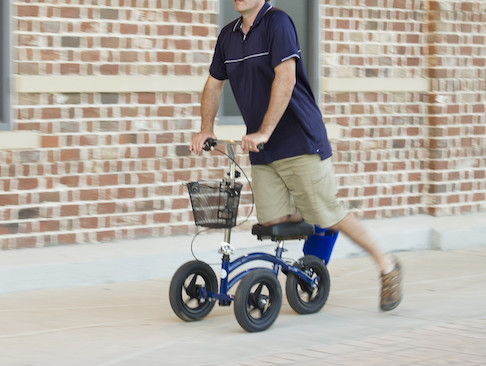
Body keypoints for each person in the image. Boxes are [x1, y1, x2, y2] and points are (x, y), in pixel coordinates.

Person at [190, 0, 402, 311]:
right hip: (263, 148)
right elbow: (213, 83)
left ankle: (387, 265)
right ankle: (320, 221)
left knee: (329, 212)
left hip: (299, 139)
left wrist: (264, 131)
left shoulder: (278, 23)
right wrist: (206, 128)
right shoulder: (228, 36)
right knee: (273, 221)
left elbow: (285, 79)